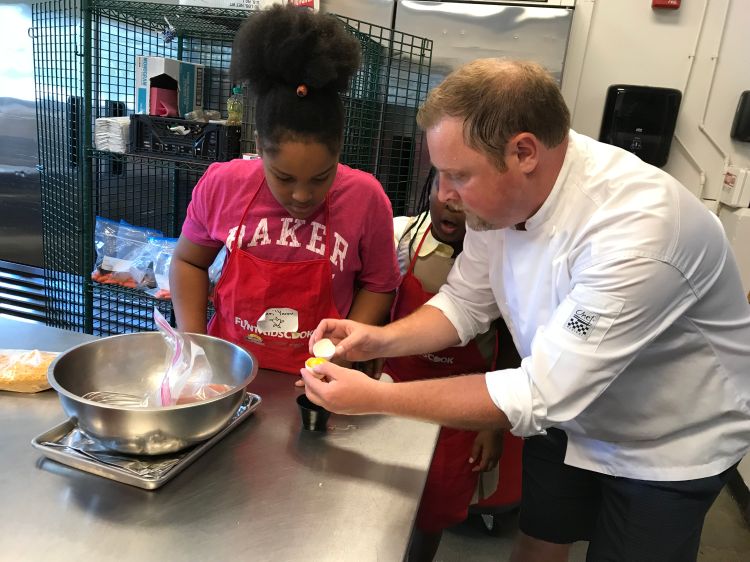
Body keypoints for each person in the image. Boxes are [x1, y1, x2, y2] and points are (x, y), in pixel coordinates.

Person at [301, 59, 750, 561]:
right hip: (566, 410)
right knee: (538, 545)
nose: (445, 195)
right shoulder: (504, 203)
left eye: (458, 175)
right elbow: (464, 302)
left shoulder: (637, 232)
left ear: (523, 151)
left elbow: (539, 393)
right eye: (440, 174)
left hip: (664, 440)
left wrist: (374, 398)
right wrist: (378, 339)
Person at [169, 5, 400, 375]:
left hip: (321, 381)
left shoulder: (366, 198)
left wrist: (341, 354)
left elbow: (379, 285)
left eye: (321, 177)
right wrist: (196, 345)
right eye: (285, 178)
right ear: (259, 147)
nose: (303, 196)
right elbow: (188, 261)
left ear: (339, 148)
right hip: (229, 373)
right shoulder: (222, 185)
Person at [387, 168, 523, 561]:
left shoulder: (501, 261)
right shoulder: (403, 239)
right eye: (439, 187)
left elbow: (510, 348)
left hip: (464, 411)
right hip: (397, 392)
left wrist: (492, 424)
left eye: (466, 194)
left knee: (435, 509)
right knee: (385, 495)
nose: (450, 201)